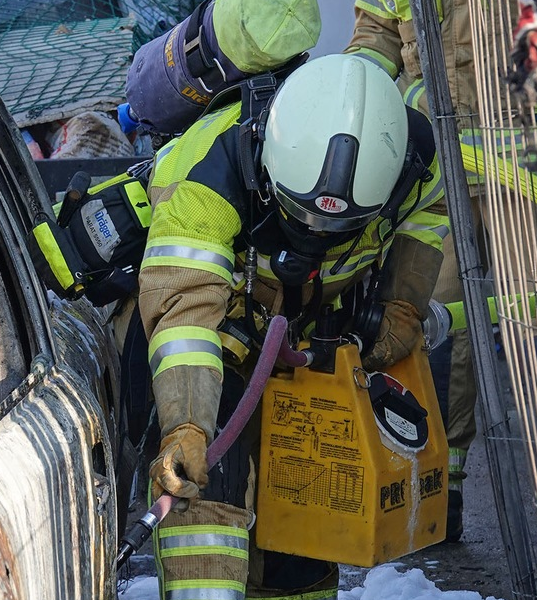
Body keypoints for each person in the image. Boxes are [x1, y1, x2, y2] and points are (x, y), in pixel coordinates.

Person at [137, 53, 447, 600]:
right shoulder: (207, 173)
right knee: (207, 492)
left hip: (307, 342)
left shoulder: (415, 163)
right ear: (267, 158)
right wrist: (186, 424)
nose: (317, 232)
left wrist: (403, 302)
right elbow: (185, 315)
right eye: (301, 214)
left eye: (339, 225)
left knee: (309, 507)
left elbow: (425, 218)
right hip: (212, 343)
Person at [343, 0, 485, 543]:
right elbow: (377, 32)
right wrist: (351, 93)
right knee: (433, 327)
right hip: (439, 171)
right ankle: (441, 489)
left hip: (532, 171)